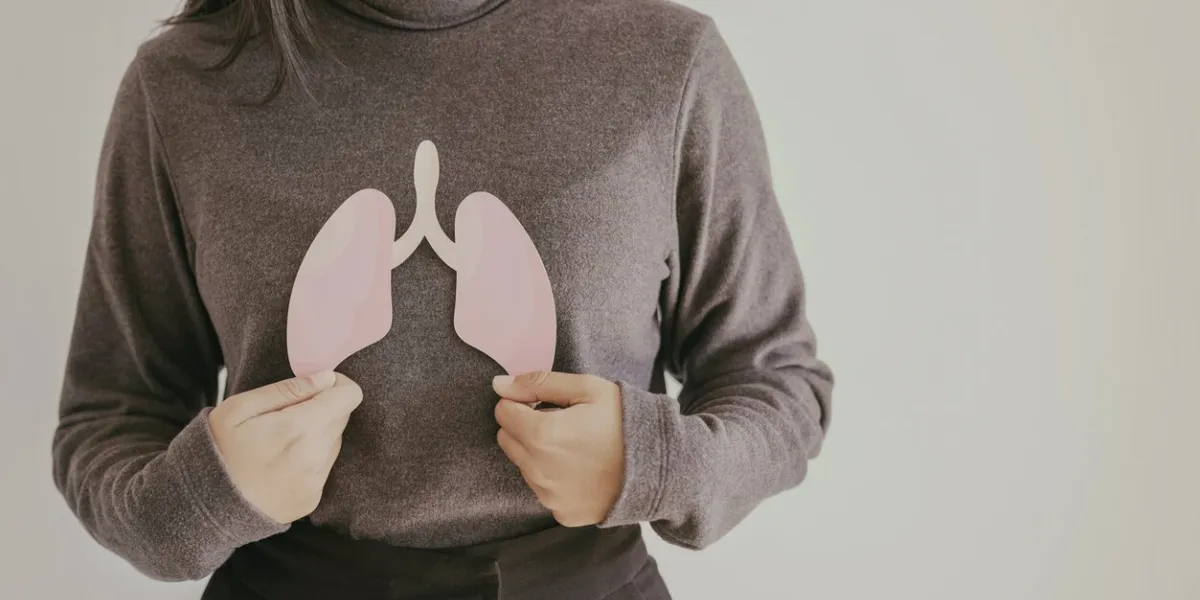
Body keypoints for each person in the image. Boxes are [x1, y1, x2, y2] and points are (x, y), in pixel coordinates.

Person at [51, 0, 834, 598]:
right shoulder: (185, 82)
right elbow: (109, 416)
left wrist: (658, 466)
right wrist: (199, 500)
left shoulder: (668, 60)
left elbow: (779, 386)